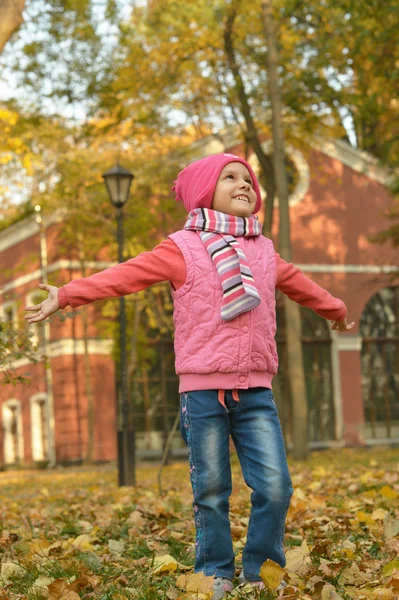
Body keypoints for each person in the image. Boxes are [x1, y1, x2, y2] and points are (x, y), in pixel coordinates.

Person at [25, 153, 354, 599]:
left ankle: (260, 570)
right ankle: (215, 570)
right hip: (202, 394)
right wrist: (66, 294)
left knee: (276, 486)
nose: (244, 185)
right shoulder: (181, 247)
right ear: (204, 191)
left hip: (256, 390)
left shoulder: (263, 249)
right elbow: (126, 275)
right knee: (212, 489)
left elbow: (299, 283)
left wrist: (334, 309)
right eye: (230, 178)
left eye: (248, 179)